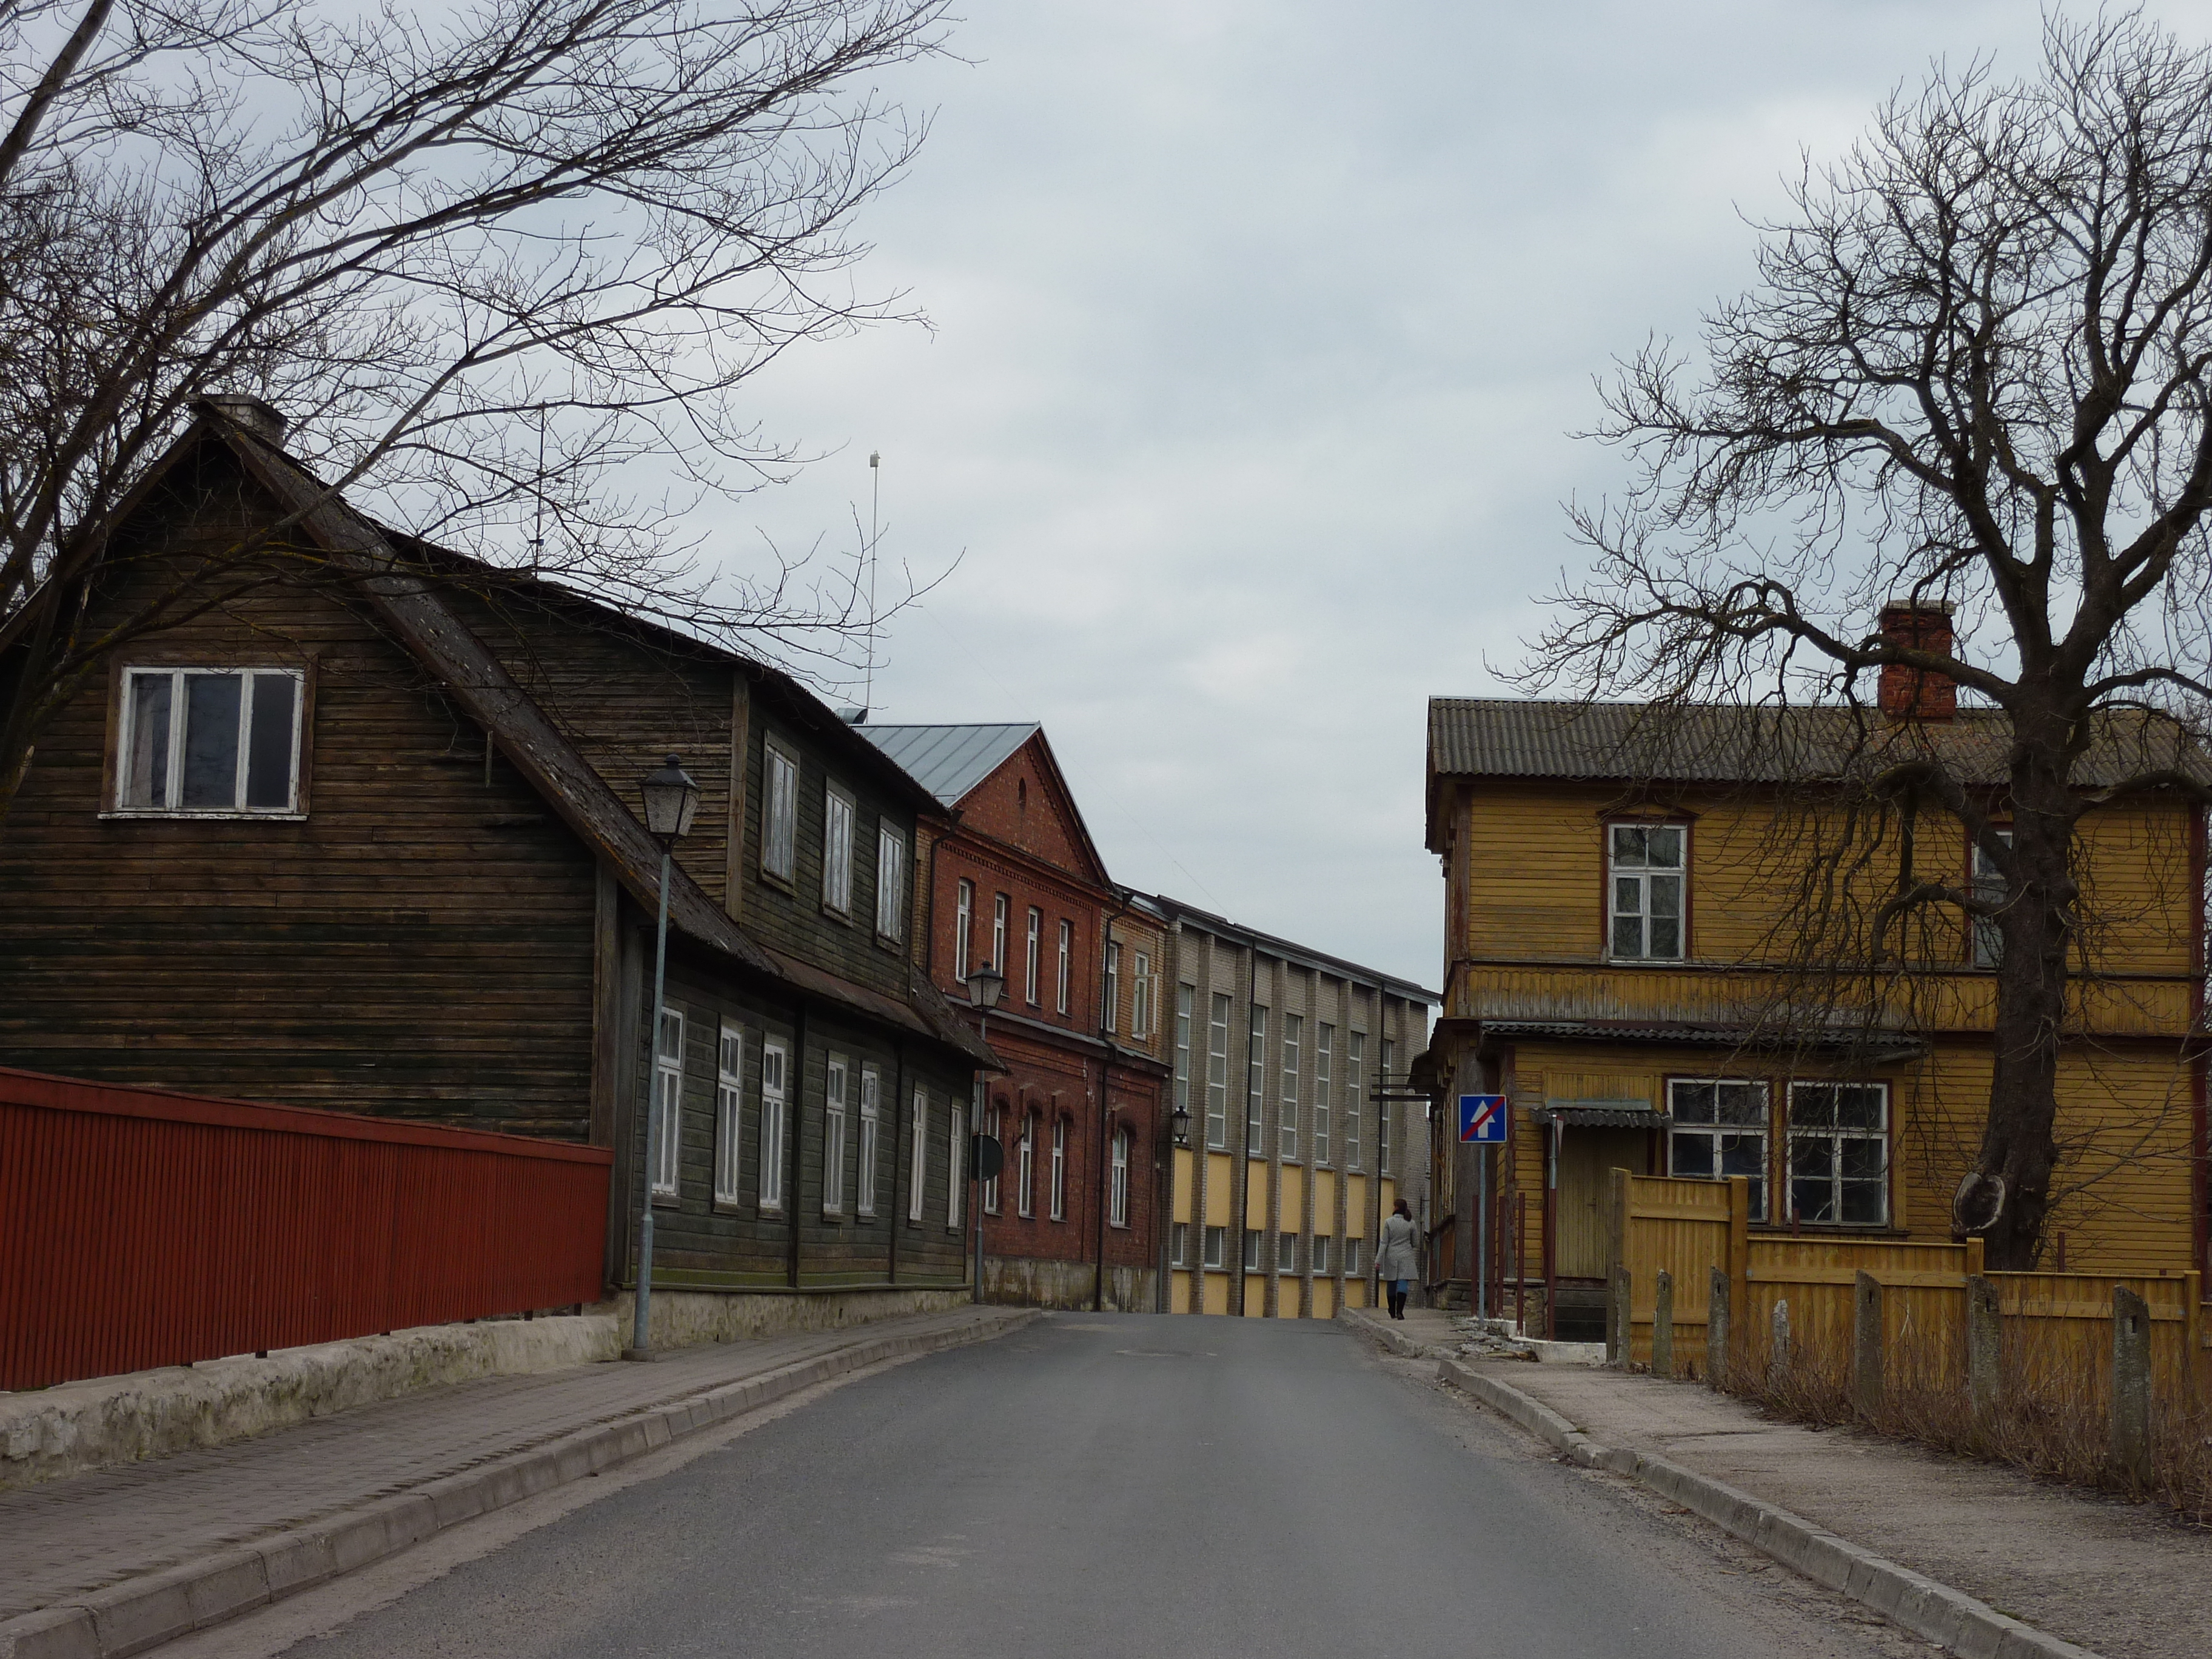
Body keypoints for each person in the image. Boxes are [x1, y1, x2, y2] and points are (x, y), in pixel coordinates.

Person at [1376, 1197, 1419, 1321]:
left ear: (1396, 1208)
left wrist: (1378, 1260)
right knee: (1403, 1283)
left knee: (1392, 1283)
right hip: (1406, 1256)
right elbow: (1415, 1243)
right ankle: (1400, 1311)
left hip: (1392, 1256)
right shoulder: (1411, 1223)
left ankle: (1391, 1310)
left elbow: (1384, 1242)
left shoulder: (1389, 1222)